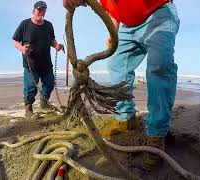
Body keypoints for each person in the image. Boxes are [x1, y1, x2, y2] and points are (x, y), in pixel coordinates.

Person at [63, 0, 180, 167]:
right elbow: (114, 13)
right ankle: (125, 118)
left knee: (159, 65)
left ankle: (157, 132)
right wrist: (113, 33)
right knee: (116, 64)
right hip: (128, 26)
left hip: (158, 13)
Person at [12, 1, 64, 119]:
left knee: (50, 83)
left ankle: (44, 103)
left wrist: (56, 46)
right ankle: (28, 110)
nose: (41, 12)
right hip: (31, 64)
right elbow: (14, 40)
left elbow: (51, 40)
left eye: (44, 10)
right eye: (39, 10)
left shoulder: (49, 25)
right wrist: (22, 48)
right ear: (34, 10)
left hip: (46, 63)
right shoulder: (25, 24)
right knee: (31, 87)